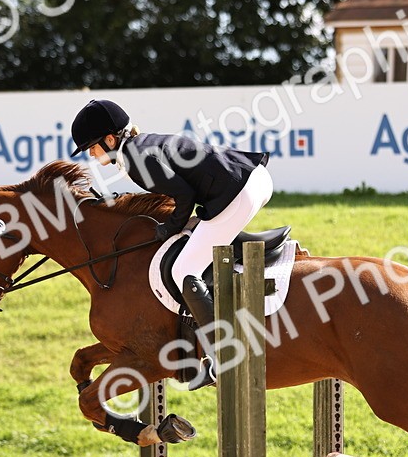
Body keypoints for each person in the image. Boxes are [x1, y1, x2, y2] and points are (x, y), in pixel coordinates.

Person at [70, 99, 273, 388]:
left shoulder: (135, 158)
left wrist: (170, 227)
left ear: (110, 139)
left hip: (240, 189)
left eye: (92, 146)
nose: (90, 153)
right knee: (198, 238)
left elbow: (184, 196)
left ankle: (224, 357)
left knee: (183, 270)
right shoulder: (138, 149)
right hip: (246, 181)